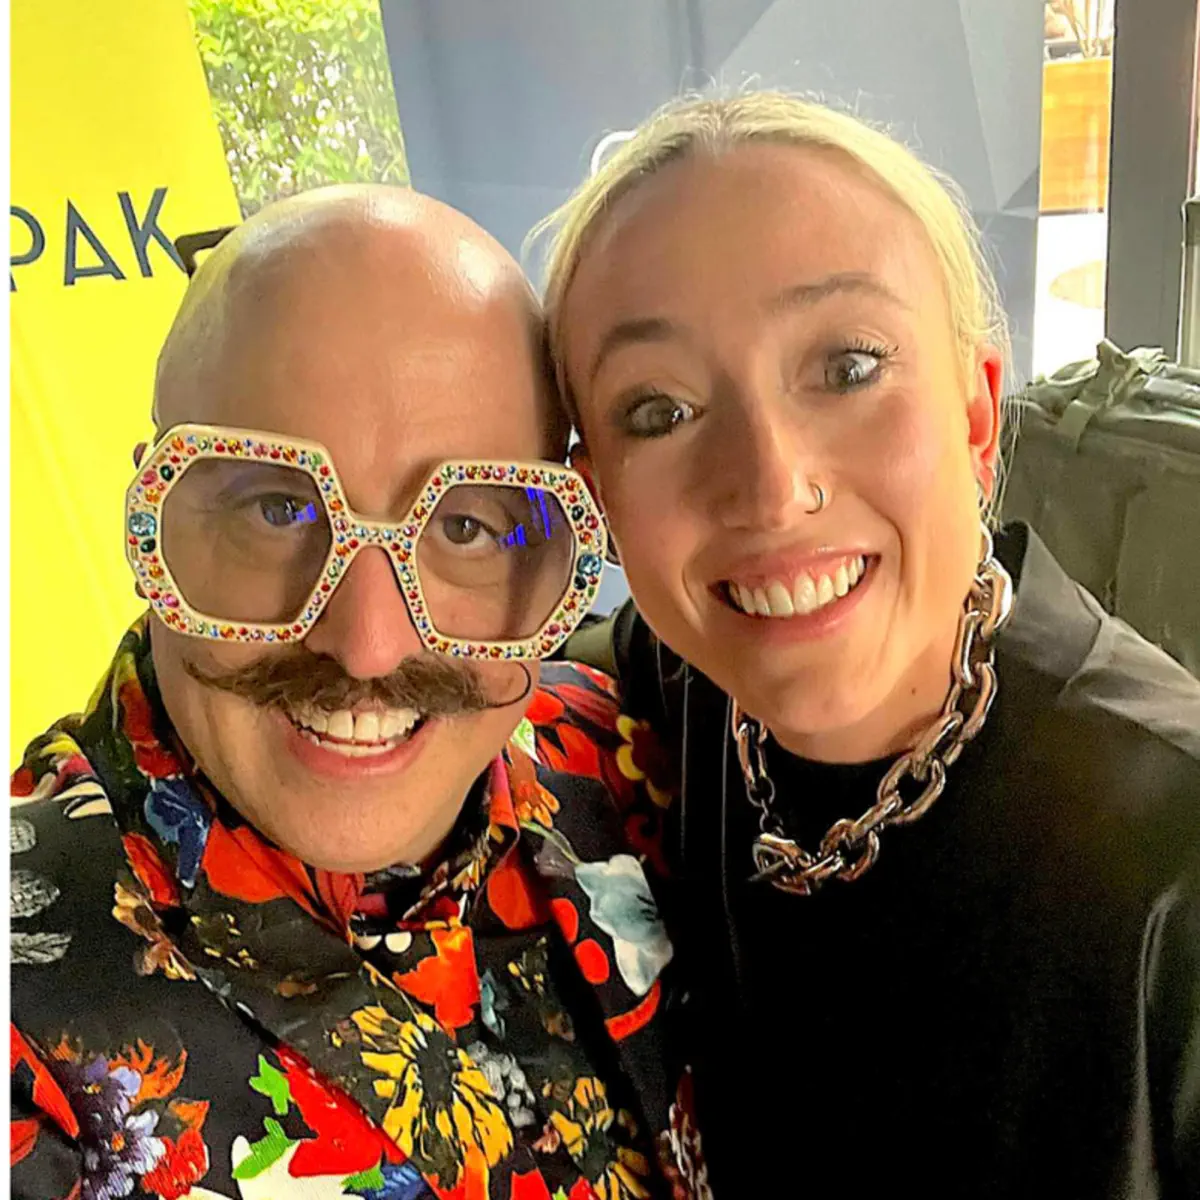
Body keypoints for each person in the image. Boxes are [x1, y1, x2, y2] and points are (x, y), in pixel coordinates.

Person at [538, 92, 1200, 1196]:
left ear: (976, 417)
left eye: (847, 367)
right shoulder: (681, 686)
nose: (770, 486)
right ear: (599, 499)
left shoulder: (1174, 852)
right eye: (660, 411)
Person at [10, 186, 693, 1200]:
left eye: (466, 526)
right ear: (152, 517)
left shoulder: (630, 764)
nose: (370, 646)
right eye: (276, 508)